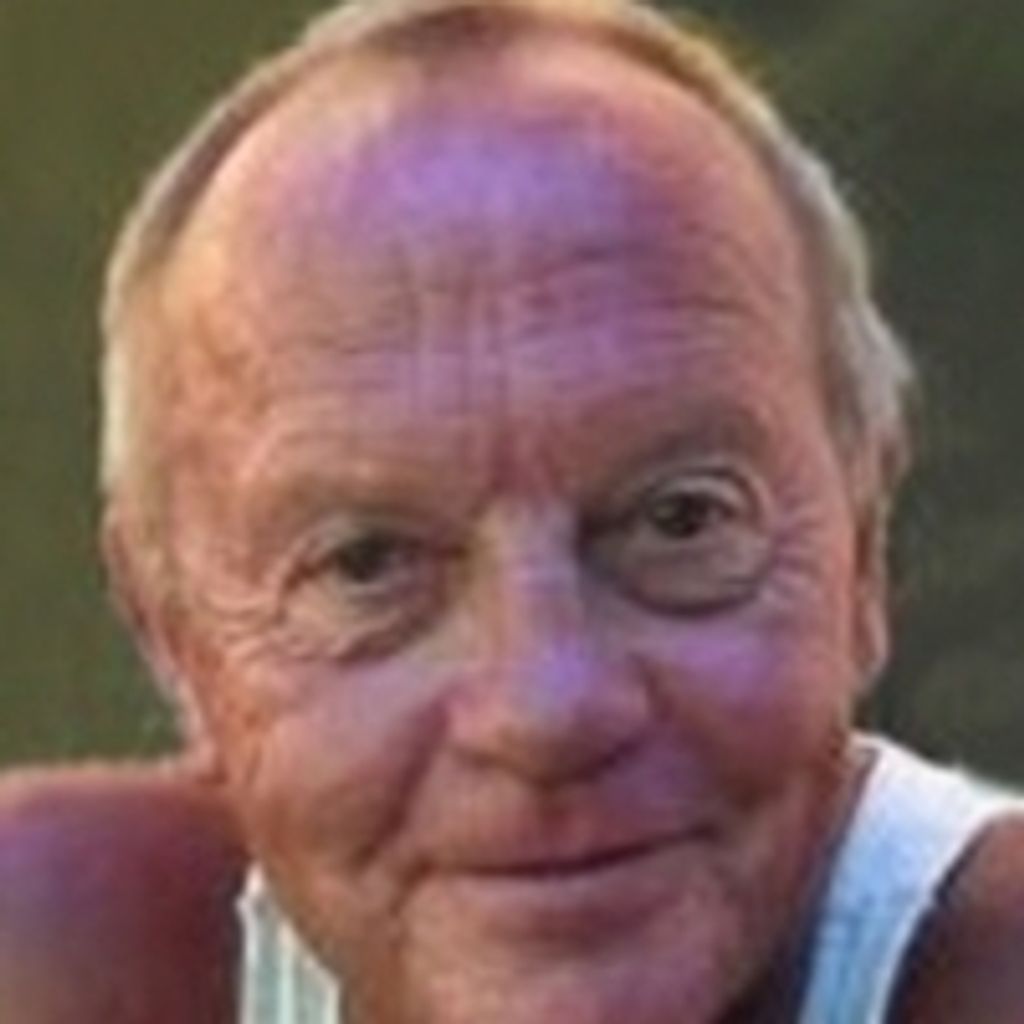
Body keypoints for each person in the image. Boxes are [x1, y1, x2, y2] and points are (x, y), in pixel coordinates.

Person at [2, 0, 1024, 1021]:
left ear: (862, 550)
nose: (547, 710)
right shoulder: (64, 952)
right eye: (366, 562)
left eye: (679, 521)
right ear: (173, 636)